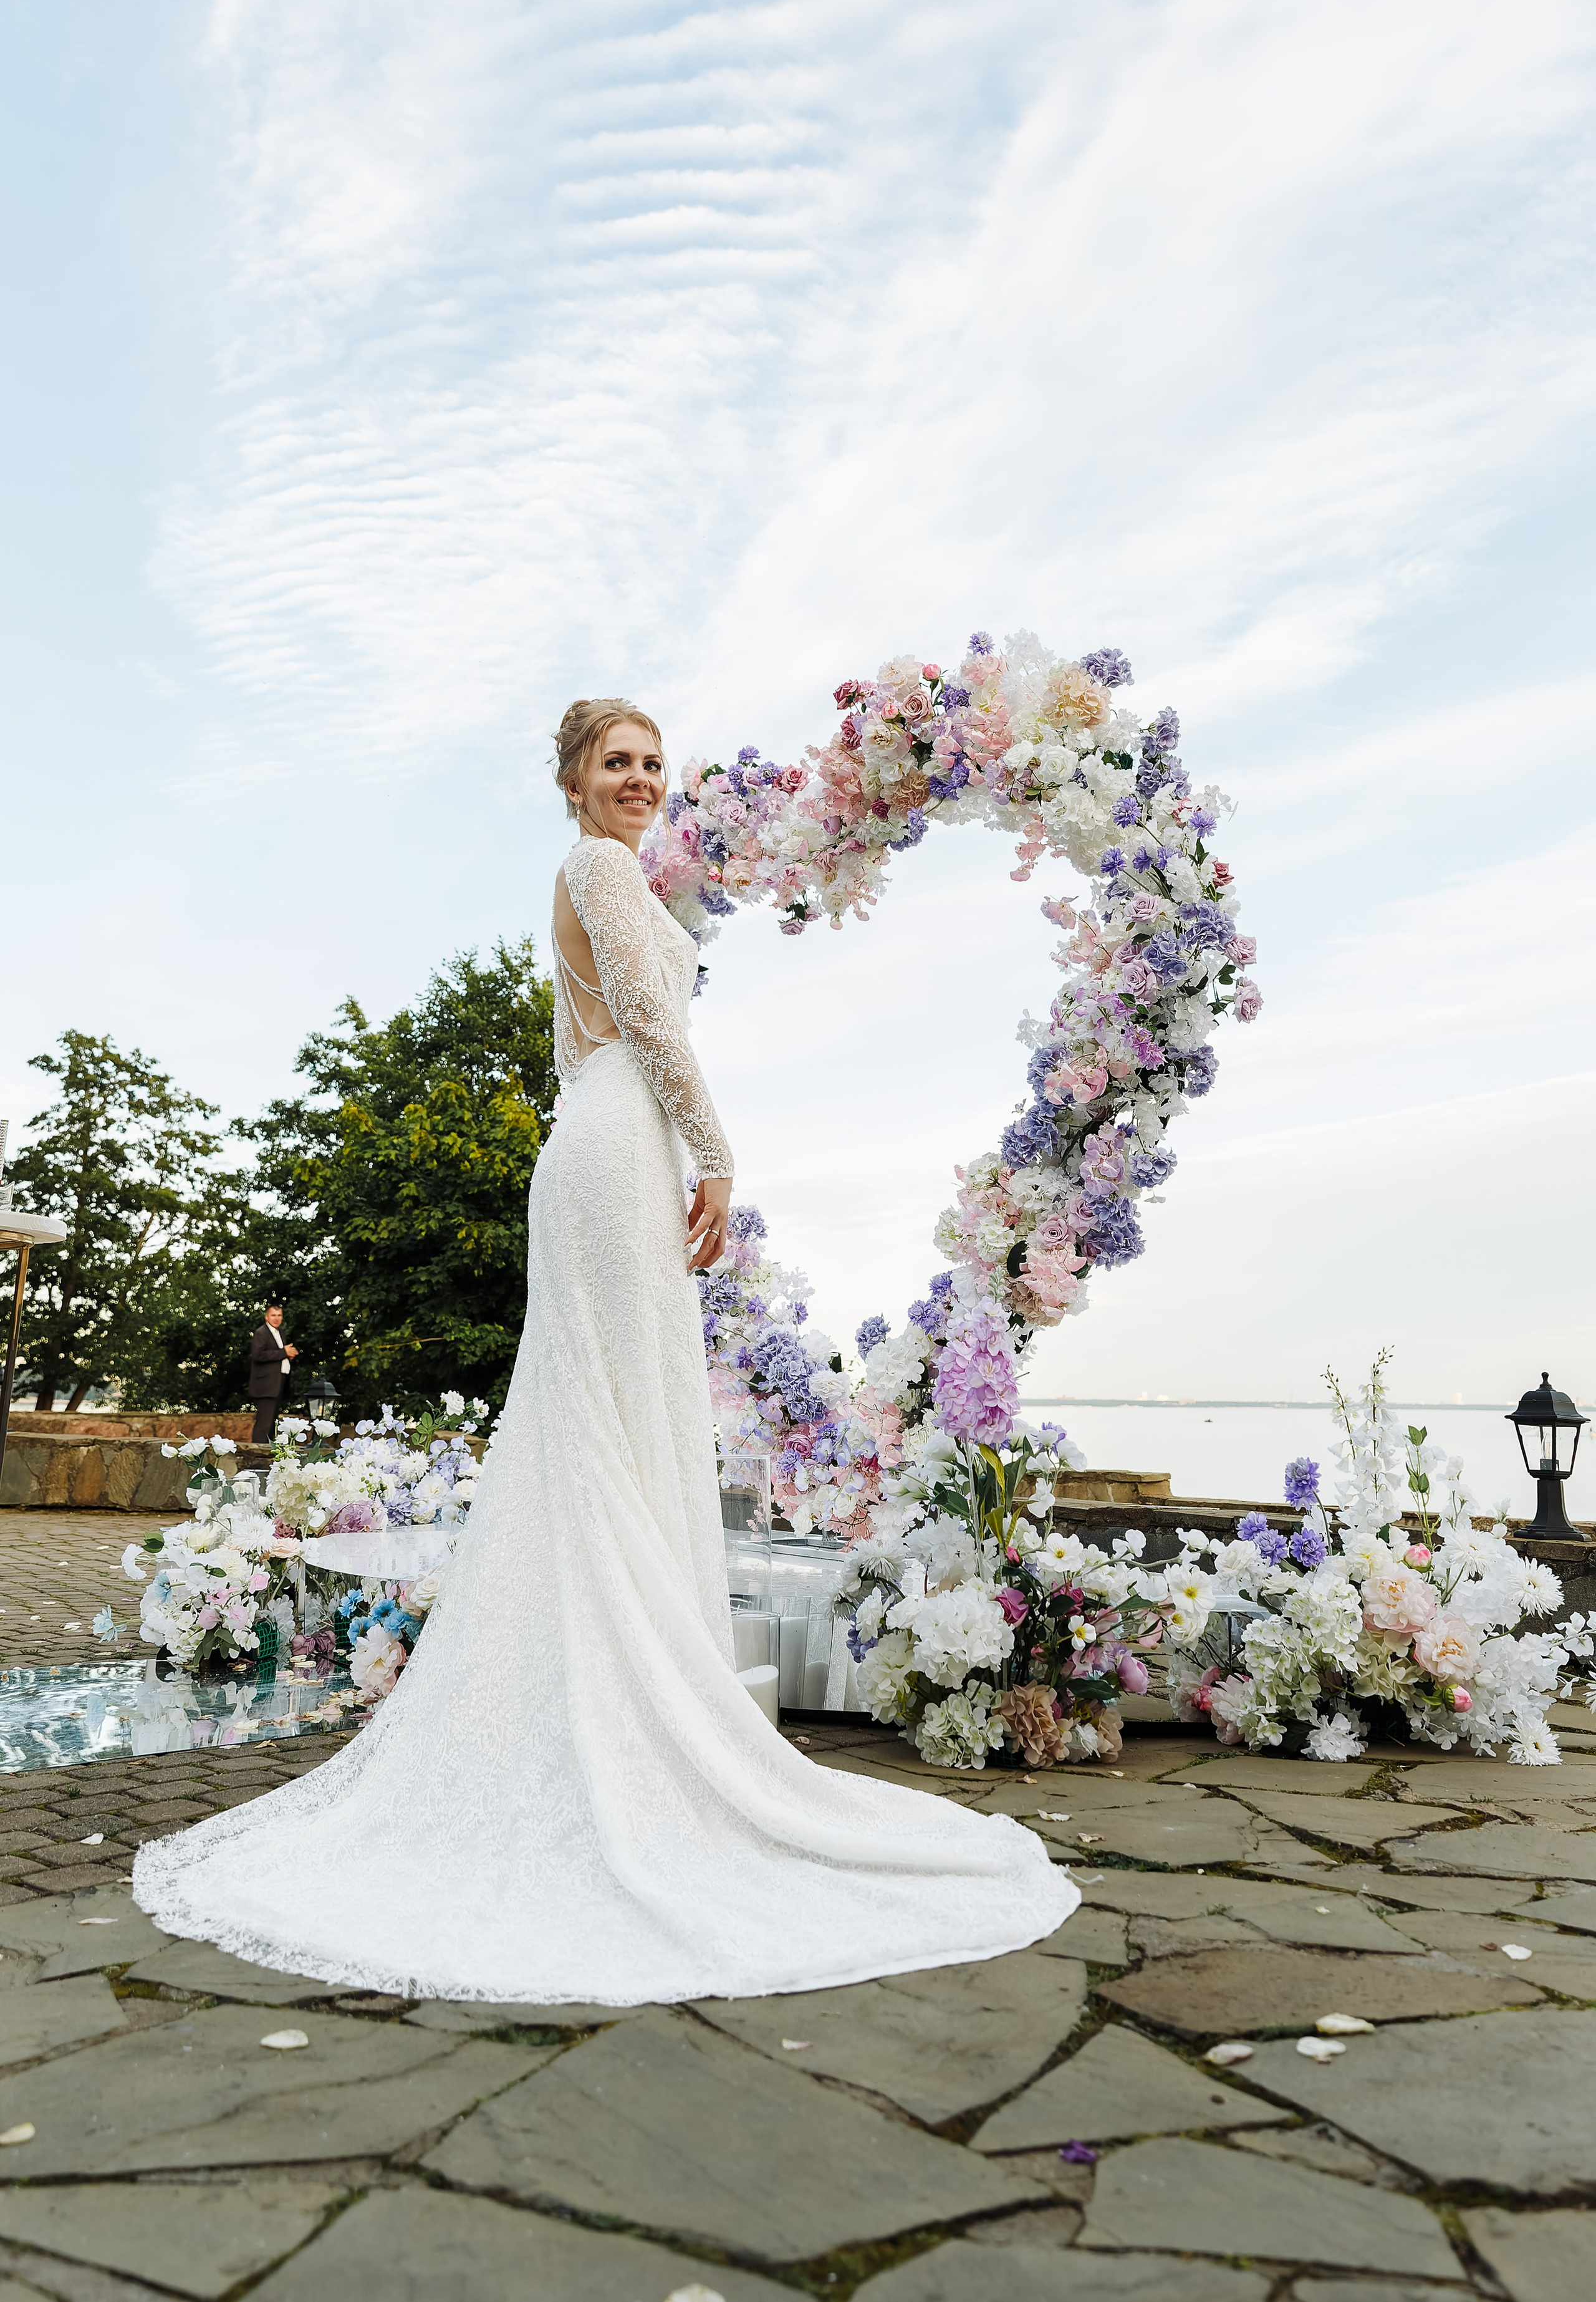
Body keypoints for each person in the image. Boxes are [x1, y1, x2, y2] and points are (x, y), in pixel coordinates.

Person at [133, 698, 1073, 2001]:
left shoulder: (599, 873)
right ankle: (600, 1726)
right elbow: (645, 1019)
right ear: (575, 786)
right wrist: (722, 1156)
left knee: (611, 1414)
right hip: (617, 1146)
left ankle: (605, 1710)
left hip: (606, 1145)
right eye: (614, 764)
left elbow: (596, 1035)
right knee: (599, 1417)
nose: (638, 780)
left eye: (650, 763)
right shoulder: (598, 865)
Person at [247, 1305, 297, 1444]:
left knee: (272, 1422)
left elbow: (275, 1355)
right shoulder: (261, 1332)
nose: (277, 1318)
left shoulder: (280, 1332)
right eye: (273, 1315)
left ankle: (269, 1452)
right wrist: (284, 1353)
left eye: (279, 1315)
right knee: (264, 1423)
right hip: (266, 1385)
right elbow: (258, 1355)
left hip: (279, 1381)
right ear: (266, 1317)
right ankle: (258, 1453)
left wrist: (287, 1356)